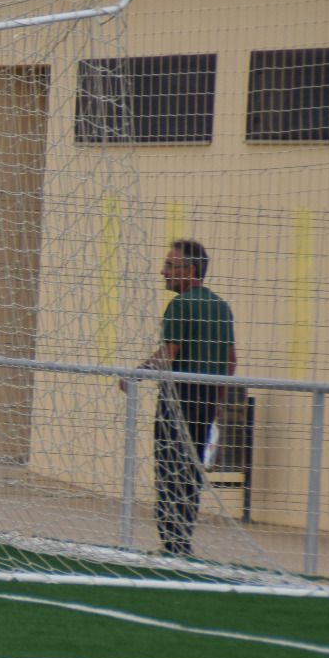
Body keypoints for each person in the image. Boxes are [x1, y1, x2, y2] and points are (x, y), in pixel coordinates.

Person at [129, 239, 237, 558]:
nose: (162, 272)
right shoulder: (221, 306)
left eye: (169, 266)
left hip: (179, 396)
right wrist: (217, 402)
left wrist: (135, 375)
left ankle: (170, 543)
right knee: (191, 470)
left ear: (190, 270)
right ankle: (183, 541)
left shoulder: (180, 305)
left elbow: (169, 354)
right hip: (206, 397)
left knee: (169, 468)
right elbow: (230, 361)